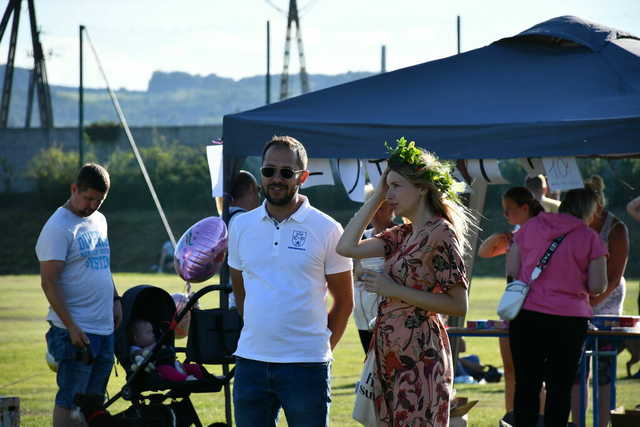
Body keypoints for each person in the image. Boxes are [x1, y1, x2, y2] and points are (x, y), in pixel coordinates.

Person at [337, 138, 473, 426]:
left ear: (422, 188)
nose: (390, 195)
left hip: (421, 358)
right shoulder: (403, 233)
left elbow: (459, 305)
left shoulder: (440, 234)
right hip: (389, 355)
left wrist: (393, 290)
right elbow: (346, 247)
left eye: (397, 187)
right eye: (389, 187)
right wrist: (377, 197)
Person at [228, 135, 353, 427]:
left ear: (303, 177)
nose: (276, 179)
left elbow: (344, 303)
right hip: (250, 364)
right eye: (269, 170)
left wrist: (318, 349)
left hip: (306, 367)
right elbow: (240, 290)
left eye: (286, 172)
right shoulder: (240, 226)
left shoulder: (328, 229)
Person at [506, 187, 608, 427]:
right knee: (559, 388)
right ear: (590, 211)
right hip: (568, 320)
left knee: (527, 385)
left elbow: (512, 270)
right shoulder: (590, 237)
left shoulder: (530, 227)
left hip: (527, 316)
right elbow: (596, 285)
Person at [36, 163, 122, 427]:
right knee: (70, 400)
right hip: (75, 331)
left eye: (98, 200)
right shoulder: (58, 227)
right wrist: (72, 327)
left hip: (104, 329)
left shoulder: (99, 220)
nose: (92, 205)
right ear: (74, 189)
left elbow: (101, 266)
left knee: (94, 402)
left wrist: (116, 299)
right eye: (87, 198)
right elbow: (49, 283)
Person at [478, 187, 544, 425]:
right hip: (514, 311)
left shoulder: (546, 234)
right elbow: (484, 252)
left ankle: (538, 419)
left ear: (525, 208)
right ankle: (510, 418)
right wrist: (499, 237)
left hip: (540, 311)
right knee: (511, 373)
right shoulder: (515, 236)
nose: (505, 215)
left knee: (536, 377)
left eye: (509, 210)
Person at [570, 175, 630, 427]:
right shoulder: (575, 224)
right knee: (575, 371)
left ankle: (603, 422)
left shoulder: (616, 229)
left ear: (598, 207)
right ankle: (578, 422)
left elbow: (614, 278)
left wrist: (588, 306)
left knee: (604, 370)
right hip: (576, 302)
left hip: (606, 302)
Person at [353, 184, 395, 354]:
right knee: (370, 362)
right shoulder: (361, 237)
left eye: (381, 208)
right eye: (373, 208)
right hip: (362, 316)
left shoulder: (400, 236)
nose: (376, 213)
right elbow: (354, 271)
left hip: (388, 316)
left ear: (392, 208)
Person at [225, 170, 261, 308]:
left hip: (235, 301)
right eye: (258, 189)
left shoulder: (226, 217)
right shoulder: (244, 221)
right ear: (252, 189)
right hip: (247, 304)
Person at [129, 319, 205, 382]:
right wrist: (154, 346)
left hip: (174, 364)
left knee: (195, 367)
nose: (153, 334)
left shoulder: (157, 343)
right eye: (148, 332)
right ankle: (185, 379)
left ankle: (205, 378)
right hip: (158, 370)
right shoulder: (135, 348)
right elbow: (138, 353)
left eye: (152, 331)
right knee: (167, 370)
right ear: (137, 338)